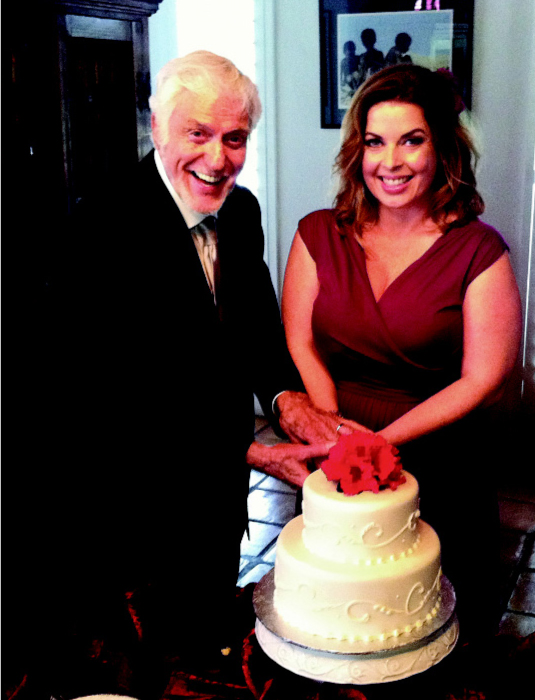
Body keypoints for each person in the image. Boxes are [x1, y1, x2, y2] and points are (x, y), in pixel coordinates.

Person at [7, 51, 364, 699]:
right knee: (136, 665)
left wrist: (286, 400)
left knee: (203, 655)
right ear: (157, 128)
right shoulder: (100, 227)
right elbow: (102, 398)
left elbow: (255, 322)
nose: (217, 157)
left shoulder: (243, 210)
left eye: (234, 138)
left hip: (214, 499)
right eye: (197, 134)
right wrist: (253, 451)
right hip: (126, 506)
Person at [282, 64, 522, 645]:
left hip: (441, 452)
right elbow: (299, 339)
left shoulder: (478, 250)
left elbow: (484, 379)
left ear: (442, 149)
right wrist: (335, 429)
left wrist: (381, 443)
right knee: (338, 628)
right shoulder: (318, 233)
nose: (390, 162)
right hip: (335, 445)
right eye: (374, 142)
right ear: (356, 152)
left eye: (411, 140)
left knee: (437, 632)